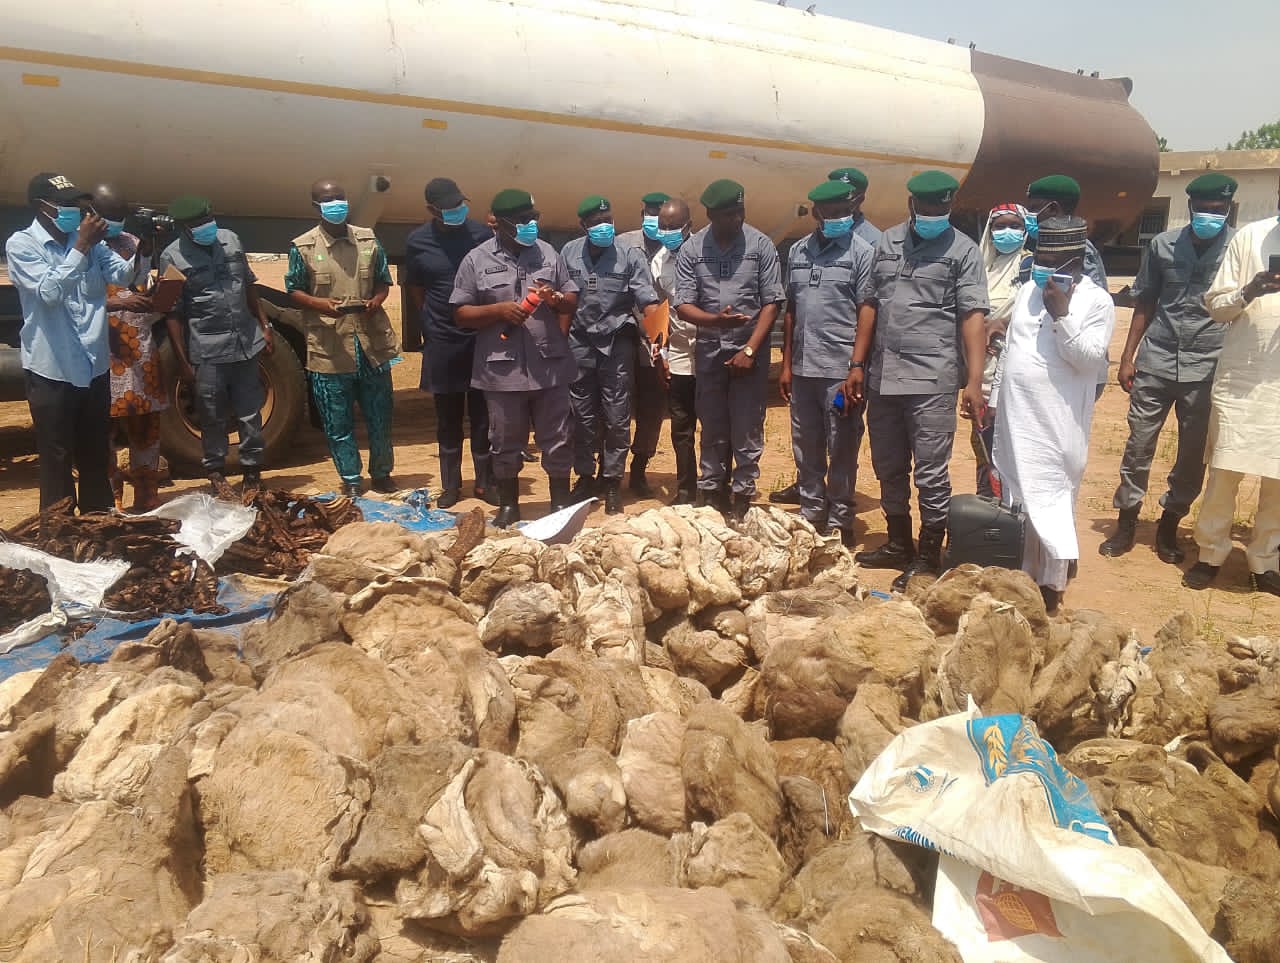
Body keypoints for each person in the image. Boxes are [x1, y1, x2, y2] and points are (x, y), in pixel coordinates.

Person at [843, 170, 989, 592]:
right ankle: (897, 542)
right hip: (884, 377)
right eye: (925, 208)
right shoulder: (887, 242)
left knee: (930, 472)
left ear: (950, 207)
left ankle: (927, 555)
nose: (931, 215)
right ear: (911, 205)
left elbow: (973, 317)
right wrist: (857, 363)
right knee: (888, 465)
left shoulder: (963, 251)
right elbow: (870, 303)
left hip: (932, 380)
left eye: (939, 209)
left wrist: (974, 380)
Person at [1100, 173, 1238, 563]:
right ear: (1190, 207)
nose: (1210, 215)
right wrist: (1127, 357)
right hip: (1157, 360)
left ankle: (1169, 525)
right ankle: (1126, 522)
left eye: (1218, 210)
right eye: (1203, 209)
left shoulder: (1237, 247)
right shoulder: (1163, 245)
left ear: (1228, 209)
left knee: (1192, 454)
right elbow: (1144, 301)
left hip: (1208, 365)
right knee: (1138, 445)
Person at [988, 217, 1116, 612]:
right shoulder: (1029, 289)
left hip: (1058, 423)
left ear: (1074, 262)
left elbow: (1090, 360)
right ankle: (1022, 577)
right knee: (1018, 500)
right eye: (1039, 257)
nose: (1041, 266)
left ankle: (1051, 586)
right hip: (1017, 417)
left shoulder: (1097, 301)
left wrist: (1062, 315)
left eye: (1051, 261)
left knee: (1054, 501)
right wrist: (993, 399)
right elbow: (1012, 350)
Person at [6, 172, 136, 513]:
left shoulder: (92, 245)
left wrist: (145, 249)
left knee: (94, 451)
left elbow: (123, 276)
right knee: (57, 455)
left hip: (93, 365)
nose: (74, 212)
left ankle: (98, 522)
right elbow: (49, 294)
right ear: (42, 207)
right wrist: (80, 247)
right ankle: (58, 527)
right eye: (65, 205)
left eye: (76, 205)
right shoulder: (22, 245)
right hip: (52, 367)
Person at [450, 189, 579, 527]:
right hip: (501, 371)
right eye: (523, 220)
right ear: (502, 223)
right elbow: (460, 313)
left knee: (558, 437)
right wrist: (498, 311)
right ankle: (509, 504)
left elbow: (571, 299)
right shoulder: (476, 260)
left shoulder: (548, 253)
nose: (530, 225)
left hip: (549, 367)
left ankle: (559, 501)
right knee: (505, 440)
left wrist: (555, 300)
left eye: (533, 218)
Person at [1184, 193, 1280, 596]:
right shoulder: (1250, 238)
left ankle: (1265, 562)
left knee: (1278, 481)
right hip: (1242, 380)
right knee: (1224, 472)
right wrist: (1250, 290)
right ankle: (1210, 555)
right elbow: (1217, 307)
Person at [673, 178, 785, 520]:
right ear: (710, 215)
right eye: (727, 214)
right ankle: (711, 492)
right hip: (710, 352)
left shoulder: (761, 246)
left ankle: (742, 496)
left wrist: (750, 350)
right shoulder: (692, 249)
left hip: (749, 354)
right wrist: (715, 322)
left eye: (740, 212)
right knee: (712, 425)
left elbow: (772, 303)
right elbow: (683, 304)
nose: (736, 219)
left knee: (747, 426)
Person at [772, 166, 879, 507]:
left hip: (840, 373)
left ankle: (840, 515)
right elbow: (792, 309)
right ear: (817, 212)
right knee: (806, 441)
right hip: (804, 371)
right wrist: (786, 365)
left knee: (842, 440)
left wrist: (857, 366)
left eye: (843, 211)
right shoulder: (798, 251)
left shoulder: (864, 251)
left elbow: (867, 310)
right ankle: (811, 509)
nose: (838, 218)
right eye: (830, 212)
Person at [285, 179, 399, 497]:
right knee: (337, 421)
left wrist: (376, 300)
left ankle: (382, 474)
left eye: (340, 198)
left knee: (380, 417)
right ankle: (351, 479)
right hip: (330, 348)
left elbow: (383, 280)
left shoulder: (368, 239)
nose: (336, 204)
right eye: (328, 200)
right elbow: (293, 290)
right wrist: (319, 304)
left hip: (371, 346)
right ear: (316, 206)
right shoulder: (303, 247)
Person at [160, 195, 273, 495]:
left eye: (208, 220)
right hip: (208, 350)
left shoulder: (231, 240)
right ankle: (216, 473)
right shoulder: (172, 257)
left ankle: (252, 474)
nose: (207, 226)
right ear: (185, 228)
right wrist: (183, 362)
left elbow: (249, 285)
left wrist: (265, 324)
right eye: (199, 223)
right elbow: (172, 313)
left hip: (246, 342)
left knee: (251, 412)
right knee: (212, 416)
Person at [404, 177, 498, 508]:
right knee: (448, 419)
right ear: (432, 210)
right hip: (443, 340)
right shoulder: (418, 242)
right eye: (450, 207)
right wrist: (432, 321)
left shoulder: (481, 236)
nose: (458, 210)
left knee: (483, 417)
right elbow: (416, 287)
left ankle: (485, 483)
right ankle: (451, 485)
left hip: (479, 336)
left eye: (460, 204)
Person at [563, 195, 660, 514]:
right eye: (597, 223)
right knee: (582, 414)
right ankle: (585, 477)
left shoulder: (629, 254)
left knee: (617, 415)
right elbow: (563, 299)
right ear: (583, 226)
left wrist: (658, 330)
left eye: (608, 220)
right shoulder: (569, 252)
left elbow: (646, 299)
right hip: (580, 341)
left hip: (617, 341)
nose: (605, 227)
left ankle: (612, 481)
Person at [94, 184, 168, 511]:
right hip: (102, 351)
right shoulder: (80, 247)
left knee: (146, 424)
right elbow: (75, 299)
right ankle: (111, 495)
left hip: (139, 349)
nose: (117, 223)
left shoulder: (132, 243)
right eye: (111, 216)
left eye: (121, 216)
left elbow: (140, 284)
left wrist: (157, 293)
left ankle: (147, 492)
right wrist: (119, 302)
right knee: (101, 428)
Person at [616, 190, 673, 496]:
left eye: (660, 215)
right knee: (616, 406)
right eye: (650, 213)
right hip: (624, 337)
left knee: (652, 408)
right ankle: (607, 471)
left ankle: (639, 469)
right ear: (642, 215)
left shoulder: (678, 246)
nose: (655, 220)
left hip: (659, 341)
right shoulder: (623, 244)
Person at [974, 203, 1029, 497]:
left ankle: (1013, 506)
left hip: (1015, 370)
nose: (1007, 232)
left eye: (1015, 226)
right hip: (980, 369)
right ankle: (987, 506)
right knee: (983, 444)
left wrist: (1003, 324)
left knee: (1012, 446)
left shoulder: (1031, 267)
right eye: (1000, 226)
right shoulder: (980, 267)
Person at [650, 198, 699, 504]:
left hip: (709, 349)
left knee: (716, 424)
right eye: (662, 227)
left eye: (673, 227)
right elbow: (658, 311)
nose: (667, 232)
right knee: (681, 425)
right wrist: (660, 355)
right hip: (679, 352)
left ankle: (716, 488)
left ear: (688, 226)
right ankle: (686, 490)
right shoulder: (659, 261)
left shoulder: (705, 253)